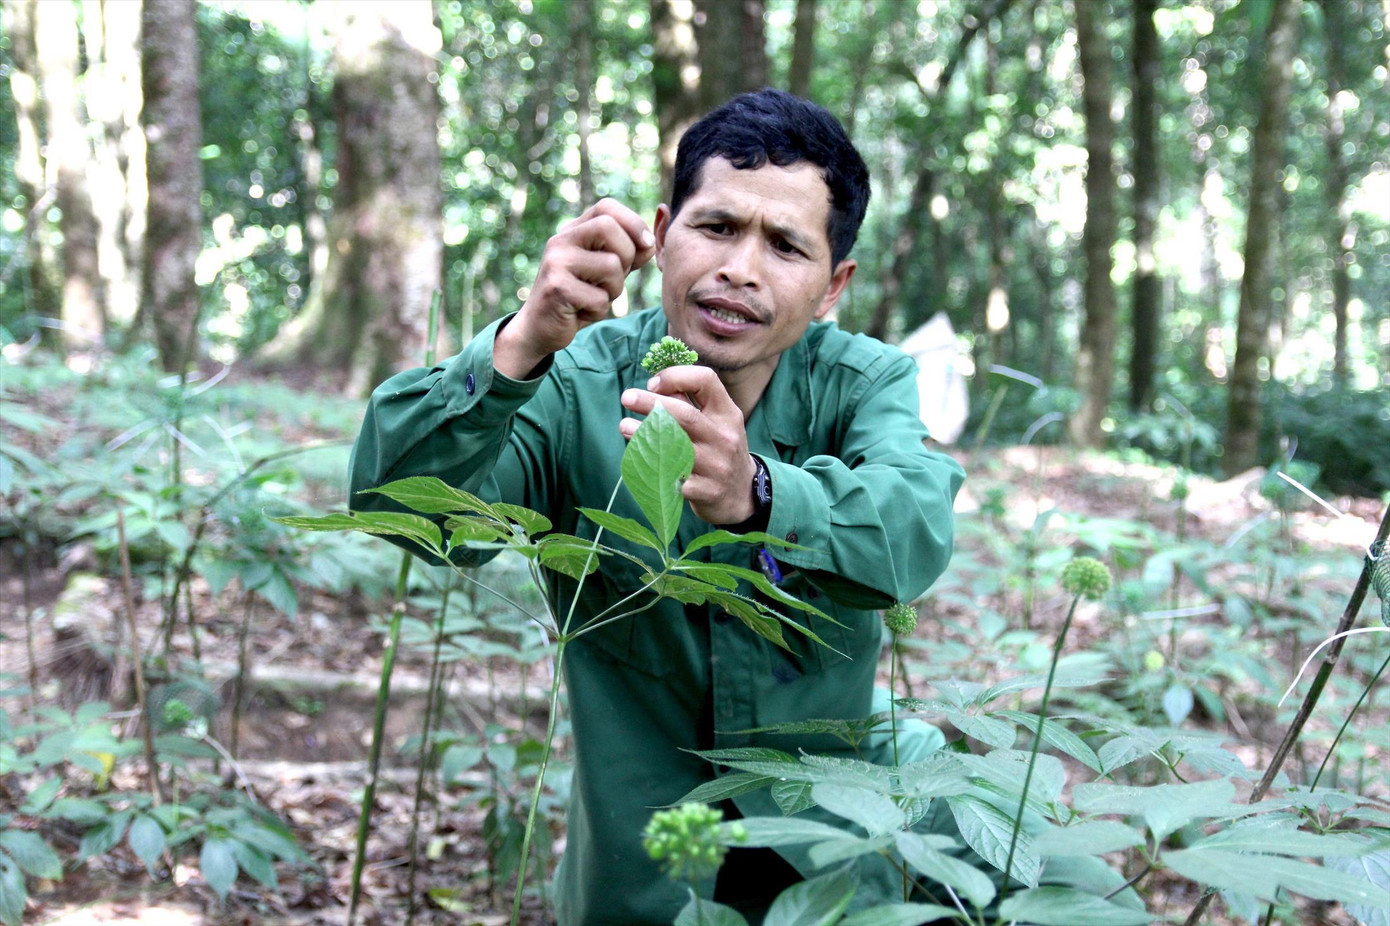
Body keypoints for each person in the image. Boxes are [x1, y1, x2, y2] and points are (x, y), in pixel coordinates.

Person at [348, 88, 966, 924]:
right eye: (717, 227)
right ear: (664, 232)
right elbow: (401, 512)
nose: (740, 268)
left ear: (832, 286)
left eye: (786, 245)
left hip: (828, 860)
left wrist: (760, 493)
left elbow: (913, 527)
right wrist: (521, 343)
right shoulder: (573, 379)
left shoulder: (864, 384)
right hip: (638, 869)